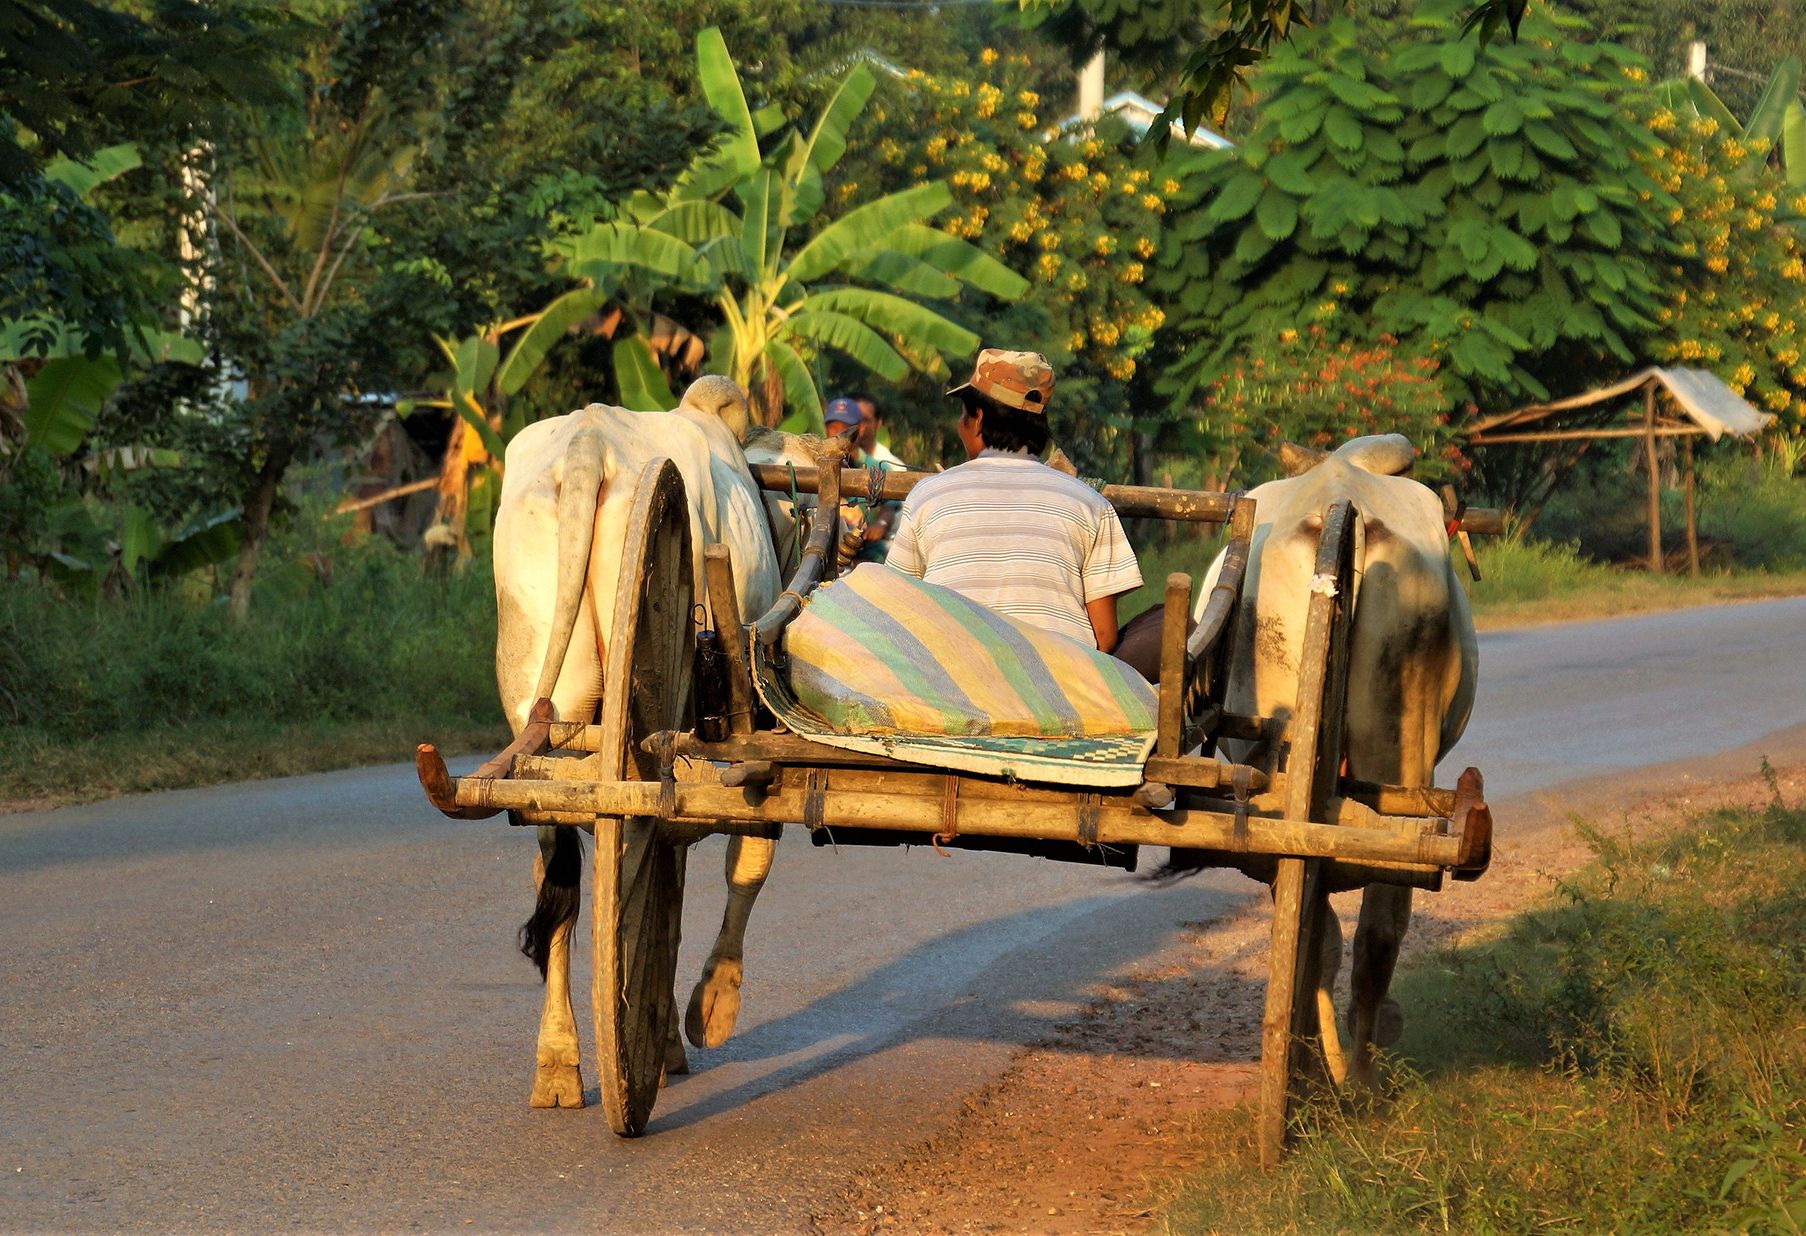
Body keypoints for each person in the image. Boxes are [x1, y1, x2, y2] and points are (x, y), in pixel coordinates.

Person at [886, 349, 1143, 654]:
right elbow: (1104, 636)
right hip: (1058, 675)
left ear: (978, 420)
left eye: (964, 415)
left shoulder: (928, 495)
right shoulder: (1090, 504)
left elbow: (897, 606)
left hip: (952, 671)